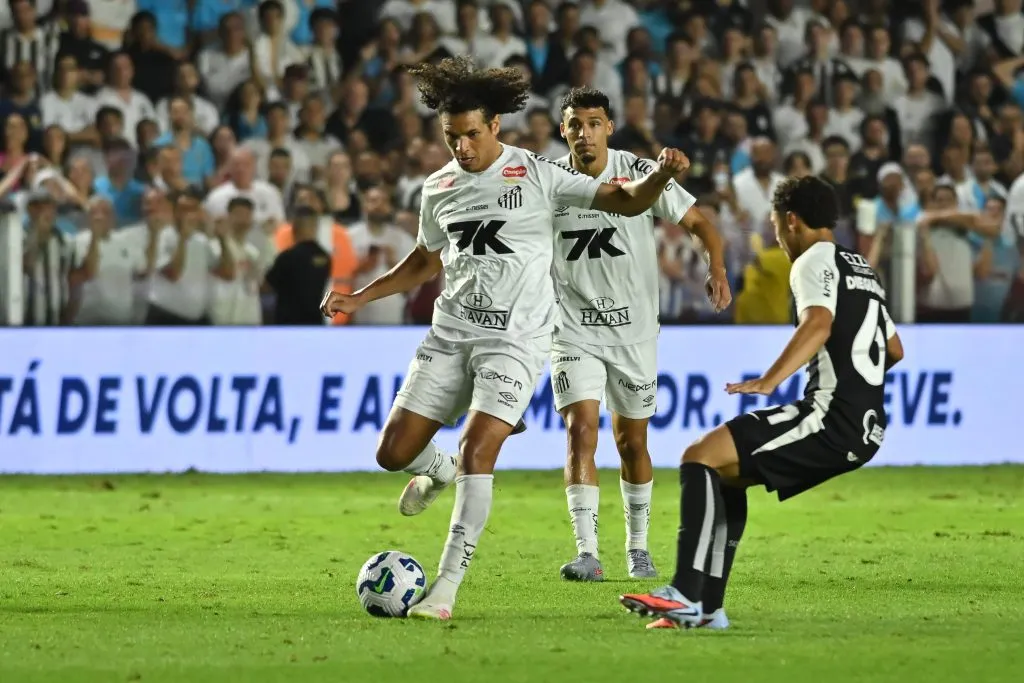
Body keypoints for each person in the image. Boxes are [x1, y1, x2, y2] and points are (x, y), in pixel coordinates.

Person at [320, 56, 690, 621]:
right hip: (450, 334)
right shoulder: (438, 186)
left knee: (478, 449)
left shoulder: (537, 173)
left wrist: (660, 175)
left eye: (471, 134)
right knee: (391, 453)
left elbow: (625, 200)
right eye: (452, 137)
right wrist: (360, 296)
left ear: (495, 126)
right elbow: (424, 260)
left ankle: (444, 590)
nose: (462, 147)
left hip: (516, 342)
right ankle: (436, 469)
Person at [619, 176, 905, 630]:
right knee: (726, 478)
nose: (777, 237)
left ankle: (685, 593)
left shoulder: (811, 260)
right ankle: (707, 610)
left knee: (699, 457)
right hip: (864, 423)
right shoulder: (862, 268)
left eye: (775, 226)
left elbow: (819, 324)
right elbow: (893, 350)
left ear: (790, 221)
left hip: (831, 418)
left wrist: (771, 380)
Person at [550, 86, 731, 583]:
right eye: (574, 124)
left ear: (609, 127)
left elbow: (701, 223)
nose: (584, 133)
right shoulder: (550, 180)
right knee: (579, 430)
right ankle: (587, 551)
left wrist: (716, 266)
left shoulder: (638, 172)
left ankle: (637, 549)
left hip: (633, 333)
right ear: (562, 130)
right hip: (572, 331)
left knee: (632, 443)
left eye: (593, 123)